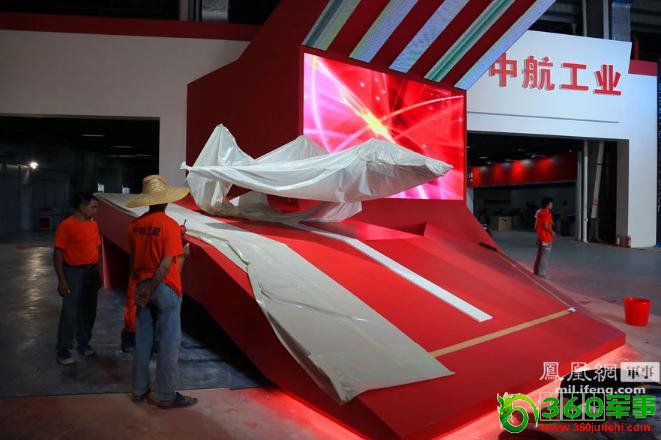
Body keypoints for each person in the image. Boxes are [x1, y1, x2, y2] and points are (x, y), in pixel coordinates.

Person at [127, 174, 196, 409]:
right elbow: (167, 264)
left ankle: (139, 390)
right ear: (165, 199)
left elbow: (133, 261)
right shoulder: (169, 225)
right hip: (165, 288)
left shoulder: (135, 226)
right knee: (168, 343)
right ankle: (166, 395)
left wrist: (141, 289)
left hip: (141, 286)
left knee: (142, 340)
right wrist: (152, 287)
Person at [53, 193, 102, 365]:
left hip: (91, 272)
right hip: (73, 273)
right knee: (70, 311)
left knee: (89, 311)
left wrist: (99, 272)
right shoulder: (66, 226)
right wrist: (62, 279)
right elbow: (58, 253)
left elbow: (97, 248)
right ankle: (63, 350)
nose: (95, 211)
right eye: (93, 207)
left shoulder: (93, 225)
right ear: (82, 206)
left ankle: (84, 343)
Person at [533, 197, 555, 278]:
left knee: (540, 255)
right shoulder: (547, 213)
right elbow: (545, 225)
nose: (552, 205)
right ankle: (542, 273)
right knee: (545, 256)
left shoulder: (540, 212)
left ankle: (536, 271)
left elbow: (537, 225)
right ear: (547, 205)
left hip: (541, 236)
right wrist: (552, 232)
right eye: (551, 204)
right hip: (546, 237)